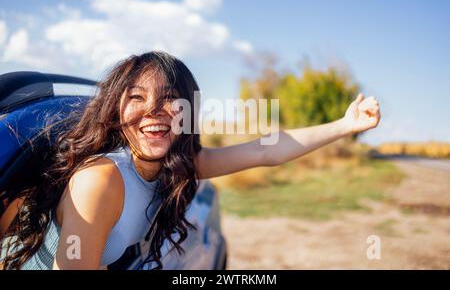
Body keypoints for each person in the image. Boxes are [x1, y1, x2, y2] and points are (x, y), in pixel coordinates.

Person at [0, 51, 380, 270]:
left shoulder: (175, 168)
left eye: (169, 98)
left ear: (186, 113)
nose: (154, 111)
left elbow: (267, 150)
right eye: (136, 98)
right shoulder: (101, 179)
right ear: (115, 112)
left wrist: (345, 125)